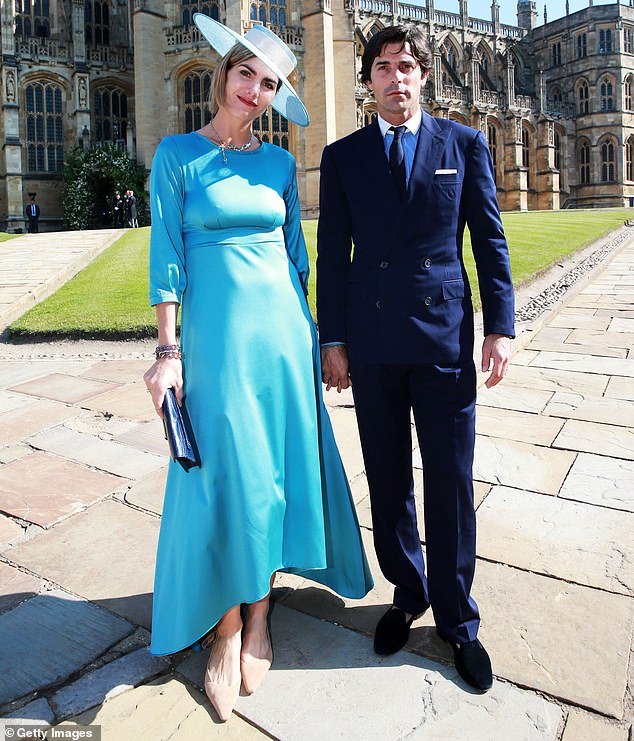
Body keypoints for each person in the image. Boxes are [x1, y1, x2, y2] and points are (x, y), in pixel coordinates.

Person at [143, 12, 373, 722]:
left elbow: (297, 262)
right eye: (246, 73)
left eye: (269, 82)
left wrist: (322, 339)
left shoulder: (276, 162)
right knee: (227, 474)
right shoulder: (176, 155)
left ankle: (261, 612)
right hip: (215, 345)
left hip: (282, 337)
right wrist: (167, 352)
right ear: (224, 75)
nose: (255, 89)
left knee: (271, 471)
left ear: (276, 95)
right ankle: (226, 628)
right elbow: (167, 261)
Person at [316, 25, 515, 692]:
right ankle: (408, 593)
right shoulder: (342, 156)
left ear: (423, 76)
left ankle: (458, 620)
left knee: (451, 482)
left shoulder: (462, 143)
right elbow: (333, 258)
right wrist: (332, 340)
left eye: (406, 66)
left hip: (442, 339)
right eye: (383, 67)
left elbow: (489, 237)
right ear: (367, 79)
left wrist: (501, 325)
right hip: (371, 344)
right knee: (388, 477)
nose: (395, 78)